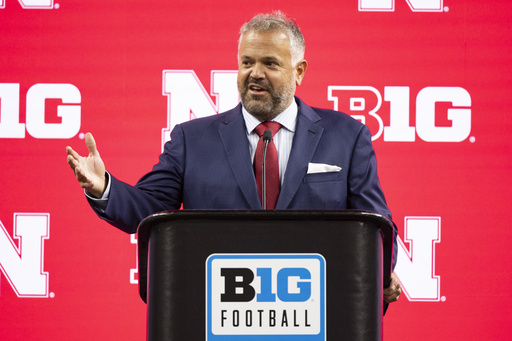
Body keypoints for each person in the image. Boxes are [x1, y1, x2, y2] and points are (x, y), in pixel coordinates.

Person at [66, 11, 401, 303]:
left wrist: (382, 272)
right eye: (247, 62)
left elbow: (377, 225)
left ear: (299, 71)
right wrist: (104, 187)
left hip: (316, 311)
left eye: (270, 63)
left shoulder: (347, 135)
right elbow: (148, 209)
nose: (255, 73)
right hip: (215, 310)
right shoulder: (191, 139)